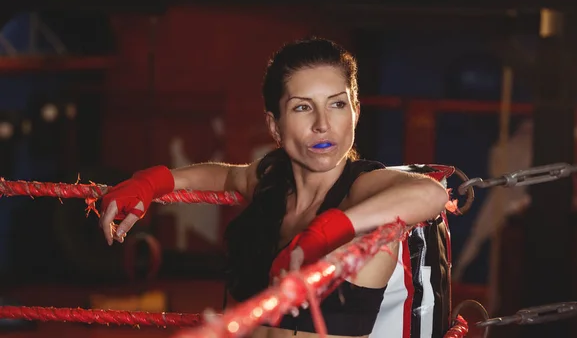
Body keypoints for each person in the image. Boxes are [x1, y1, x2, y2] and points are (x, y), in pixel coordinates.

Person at [98, 38, 452, 338]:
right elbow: (225, 176)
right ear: (275, 125)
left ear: (356, 112)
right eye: (302, 107)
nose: (322, 124)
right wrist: (153, 182)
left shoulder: (359, 190)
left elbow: (432, 195)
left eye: (337, 104)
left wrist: (324, 233)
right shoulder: (271, 184)